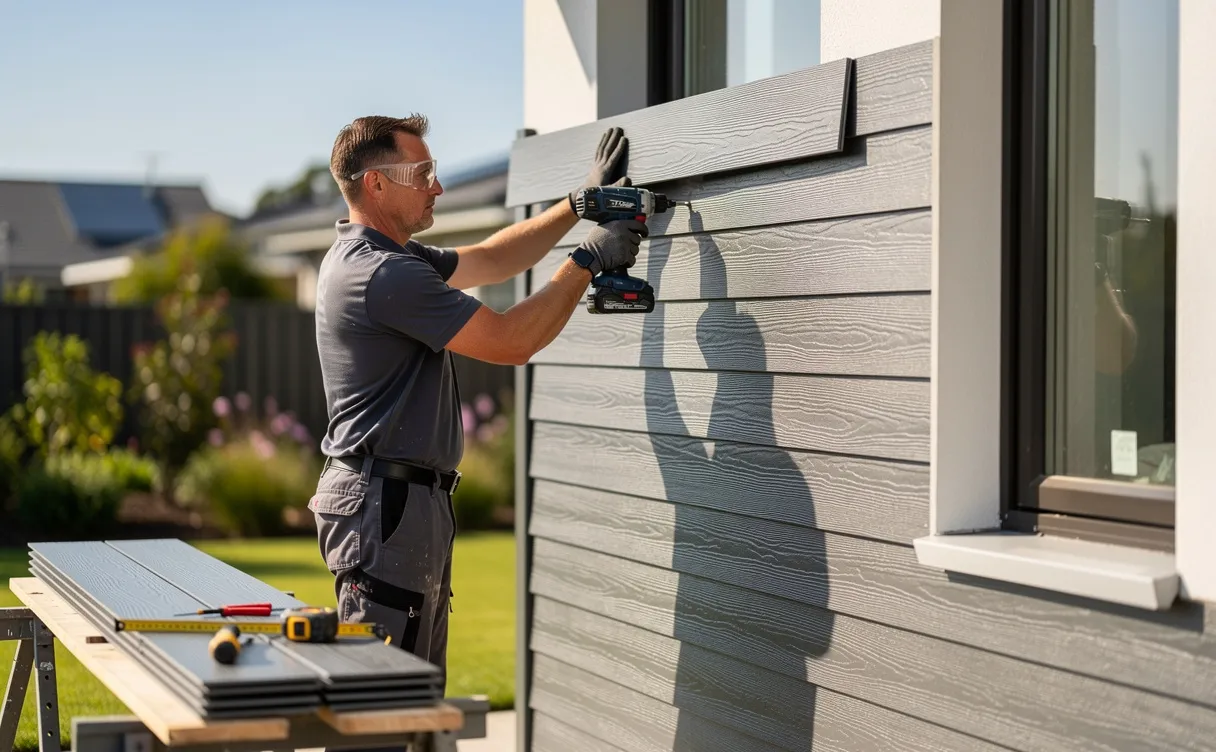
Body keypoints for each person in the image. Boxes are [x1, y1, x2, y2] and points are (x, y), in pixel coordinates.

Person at [307, 114, 646, 693]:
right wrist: (587, 259)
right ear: (377, 185)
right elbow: (513, 341)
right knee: (388, 704)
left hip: (400, 502)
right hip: (386, 507)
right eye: (424, 172)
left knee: (415, 697)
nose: (437, 186)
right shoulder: (382, 274)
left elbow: (492, 259)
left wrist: (577, 204)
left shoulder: (388, 258)